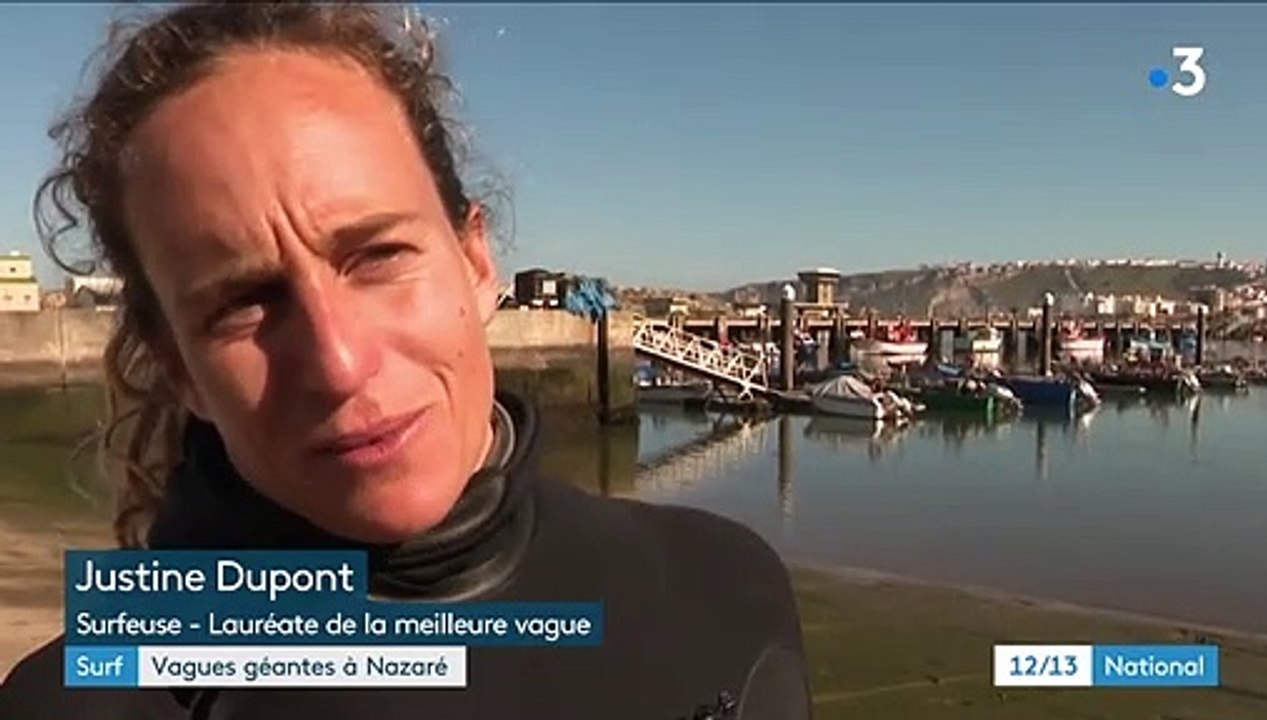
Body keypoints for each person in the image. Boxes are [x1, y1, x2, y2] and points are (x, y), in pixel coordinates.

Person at [0, 3, 811, 719]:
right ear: (177, 367)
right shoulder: (82, 701)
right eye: (243, 302)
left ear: (477, 262)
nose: (341, 363)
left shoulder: (722, 589)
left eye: (378, 255)